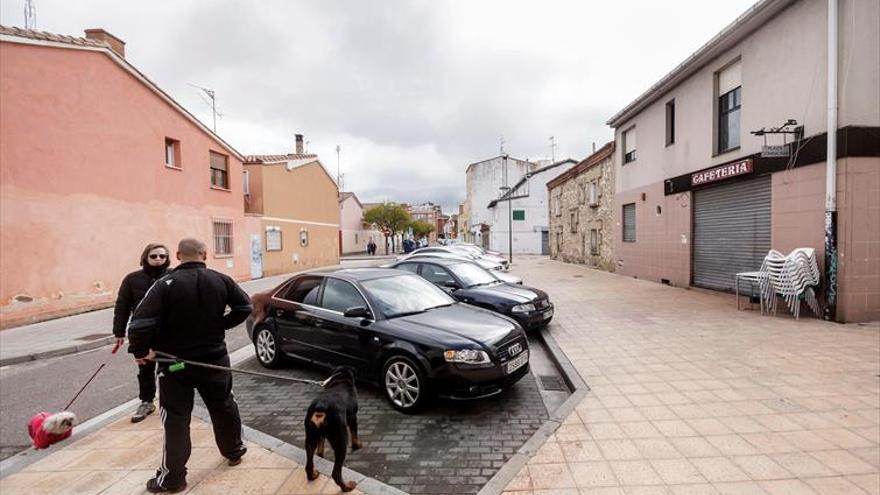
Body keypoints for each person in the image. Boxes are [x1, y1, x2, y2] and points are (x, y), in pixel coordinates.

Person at [128, 238, 252, 493]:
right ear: (205, 254)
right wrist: (221, 324)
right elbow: (245, 307)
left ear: (177, 255)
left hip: (175, 366)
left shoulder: (164, 284)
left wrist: (141, 352)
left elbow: (139, 323)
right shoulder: (221, 279)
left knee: (175, 419)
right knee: (224, 405)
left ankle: (173, 479)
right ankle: (234, 450)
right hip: (215, 361)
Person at [113, 243, 170, 423]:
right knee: (145, 368)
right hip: (143, 334)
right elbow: (122, 307)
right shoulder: (131, 279)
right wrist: (119, 332)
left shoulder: (173, 276)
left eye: (162, 256)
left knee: (173, 366)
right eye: (154, 256)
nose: (158, 259)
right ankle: (147, 401)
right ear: (145, 257)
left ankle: (173, 399)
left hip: (168, 332)